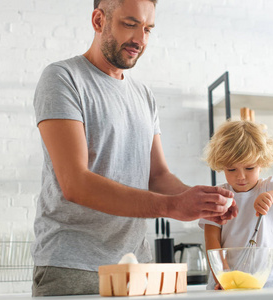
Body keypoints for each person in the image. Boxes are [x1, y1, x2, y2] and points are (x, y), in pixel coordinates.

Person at [31, 0, 237, 296]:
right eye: (130, 24)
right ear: (99, 20)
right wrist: (173, 207)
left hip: (137, 266)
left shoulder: (143, 95)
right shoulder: (63, 78)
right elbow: (75, 183)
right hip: (74, 266)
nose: (140, 40)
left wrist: (203, 203)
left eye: (148, 29)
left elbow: (158, 175)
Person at [199, 120, 273, 290]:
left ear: (261, 163)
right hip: (226, 283)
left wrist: (272, 196)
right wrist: (223, 274)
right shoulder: (217, 196)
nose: (241, 176)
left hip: (267, 283)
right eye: (231, 170)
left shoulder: (268, 187)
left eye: (249, 168)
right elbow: (212, 240)